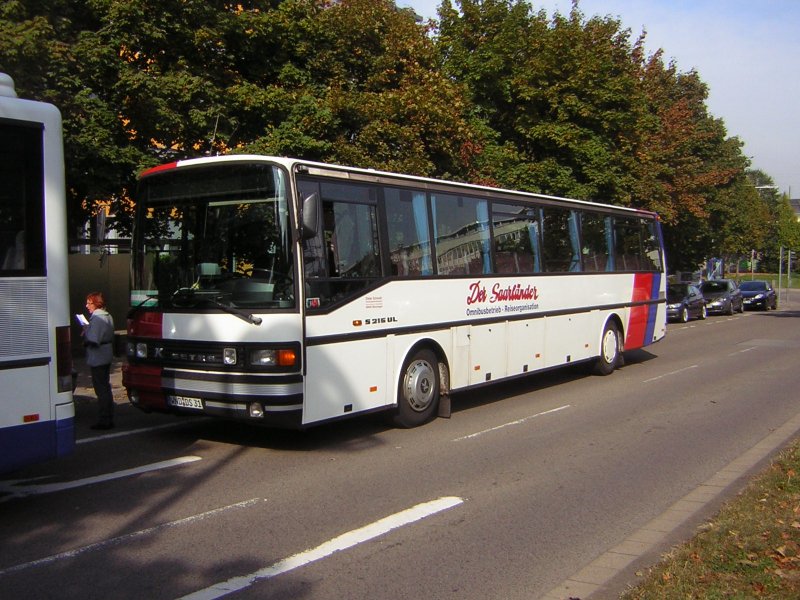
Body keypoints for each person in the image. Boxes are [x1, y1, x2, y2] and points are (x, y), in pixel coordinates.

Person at [82, 291, 115, 430]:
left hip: (98, 356)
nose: (87, 306)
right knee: (105, 387)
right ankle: (108, 416)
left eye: (89, 303)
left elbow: (94, 340)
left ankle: (104, 419)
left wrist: (86, 331)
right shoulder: (108, 316)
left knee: (101, 388)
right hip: (106, 354)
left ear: (96, 303)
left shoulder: (97, 318)